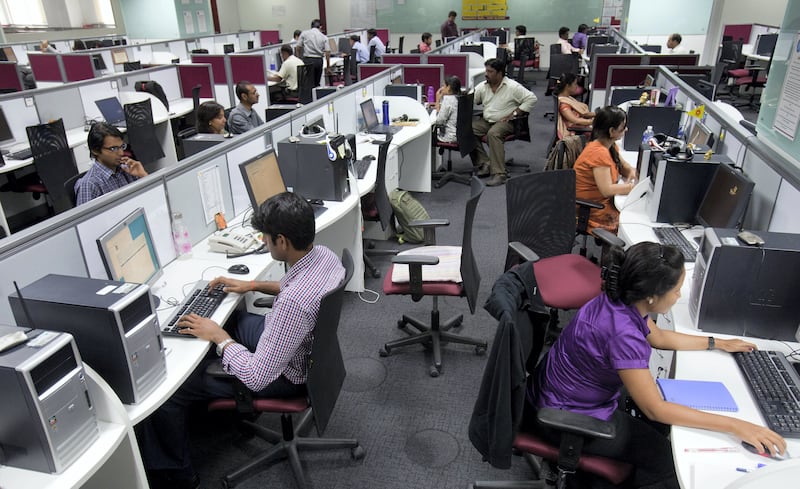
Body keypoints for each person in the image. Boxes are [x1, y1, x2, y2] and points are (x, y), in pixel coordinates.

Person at [524, 241, 787, 488]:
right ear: (651, 296)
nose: (678, 295)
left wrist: (715, 342)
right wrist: (737, 425)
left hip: (553, 394)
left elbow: (658, 337)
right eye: (675, 290)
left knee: (659, 430)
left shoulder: (621, 299)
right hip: (565, 417)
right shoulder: (623, 334)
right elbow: (655, 409)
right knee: (666, 458)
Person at [136, 192, 345, 489]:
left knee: (170, 392)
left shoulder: (294, 304)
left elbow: (257, 376)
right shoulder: (322, 255)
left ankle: (178, 475)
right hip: (302, 347)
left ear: (281, 241)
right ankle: (222, 415)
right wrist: (251, 285)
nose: (263, 241)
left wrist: (219, 337)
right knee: (233, 319)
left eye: (266, 237)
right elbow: (291, 286)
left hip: (286, 375)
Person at [470, 58, 537, 187]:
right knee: (467, 130)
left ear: (500, 73)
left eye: (490, 71)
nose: (486, 74)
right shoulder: (483, 86)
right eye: (486, 70)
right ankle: (485, 163)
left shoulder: (512, 87)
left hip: (507, 122)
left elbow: (531, 98)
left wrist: (515, 113)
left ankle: (500, 174)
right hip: (487, 120)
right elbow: (472, 98)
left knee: (493, 133)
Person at [572, 106, 636, 234]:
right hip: (591, 209)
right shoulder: (599, 153)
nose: (626, 129)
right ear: (612, 131)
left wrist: (629, 175)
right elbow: (607, 190)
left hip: (601, 202)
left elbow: (626, 168)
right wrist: (632, 187)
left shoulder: (609, 146)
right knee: (629, 226)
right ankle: (612, 253)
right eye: (623, 127)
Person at [75, 122, 147, 205]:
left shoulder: (125, 169)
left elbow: (148, 196)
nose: (121, 153)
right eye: (113, 148)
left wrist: (143, 175)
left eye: (122, 147)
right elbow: (86, 217)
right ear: (95, 150)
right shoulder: (89, 185)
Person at [555, 73, 593, 140]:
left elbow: (583, 113)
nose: (577, 86)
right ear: (567, 86)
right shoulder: (563, 104)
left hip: (579, 128)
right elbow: (575, 120)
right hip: (574, 132)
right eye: (575, 84)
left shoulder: (568, 98)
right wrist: (593, 121)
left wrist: (598, 114)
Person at [297, 19, 331, 88]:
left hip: (308, 60)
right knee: (316, 83)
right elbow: (327, 52)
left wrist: (299, 59)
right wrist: (328, 67)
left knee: (308, 83)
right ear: (320, 27)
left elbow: (298, 47)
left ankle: (310, 98)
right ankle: (316, 97)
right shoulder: (324, 37)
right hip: (318, 61)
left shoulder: (304, 33)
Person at [434, 75, 462, 143]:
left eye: (444, 86)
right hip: (460, 135)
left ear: (448, 87)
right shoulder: (459, 98)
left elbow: (439, 121)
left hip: (449, 136)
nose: (442, 88)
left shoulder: (448, 99)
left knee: (429, 134)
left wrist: (437, 101)